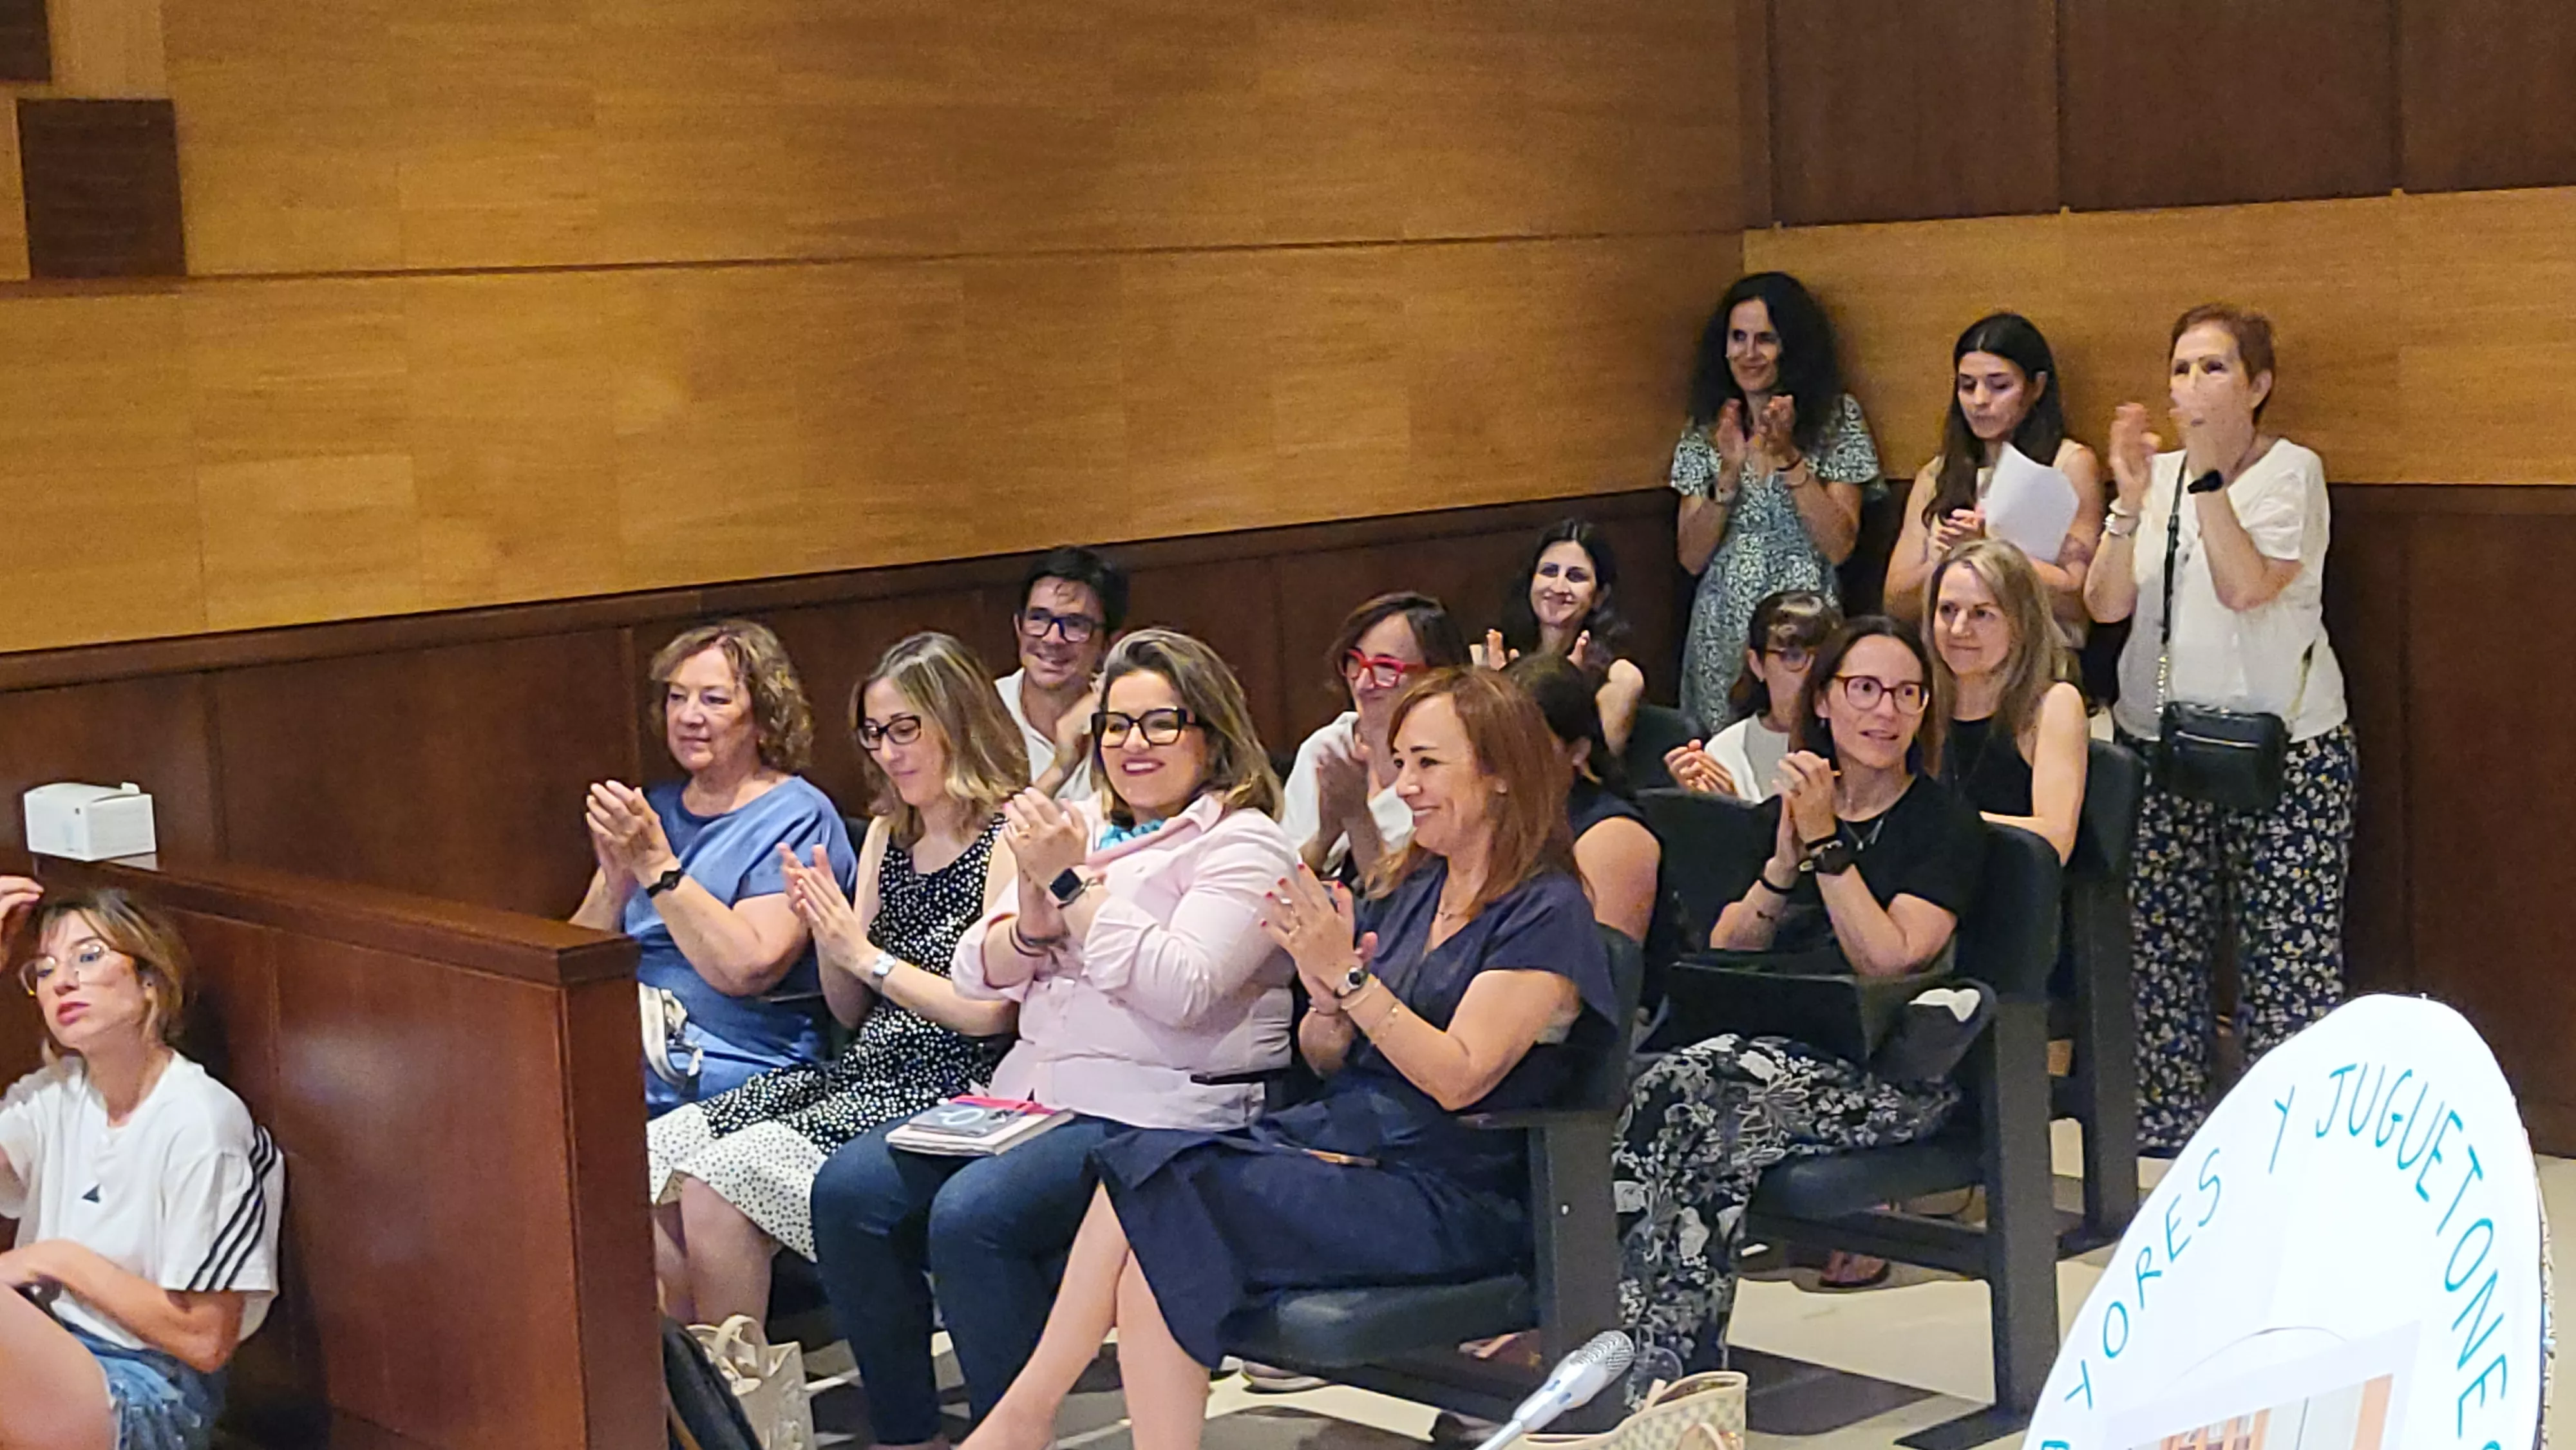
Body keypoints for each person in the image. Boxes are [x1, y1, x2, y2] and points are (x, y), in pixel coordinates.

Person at [959, 670, 1617, 1450]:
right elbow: (1328, 1055)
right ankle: (1044, 1420)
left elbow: (1459, 1074)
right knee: (1150, 1225)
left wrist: (1352, 981)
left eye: (1427, 764)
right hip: (1351, 1148)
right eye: (1400, 762)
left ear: (1500, 771)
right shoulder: (1414, 886)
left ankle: (1023, 1416)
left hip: (1451, 1189)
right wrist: (1327, 1000)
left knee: (1161, 1176)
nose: (1403, 785)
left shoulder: (1546, 908)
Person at [807, 630, 1295, 1444]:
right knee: (849, 1191)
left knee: (974, 1214)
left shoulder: (1243, 843)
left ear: (1211, 733)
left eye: (1160, 723)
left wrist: (1070, 888)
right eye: (1115, 725)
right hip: (1033, 1093)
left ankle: (1009, 1432)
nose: (1132, 744)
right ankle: (907, 1430)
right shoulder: (1082, 823)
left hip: (1158, 1111)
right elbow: (976, 967)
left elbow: (1181, 987)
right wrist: (1033, 929)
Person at [1614, 619, 1984, 1373]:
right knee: (1685, 1122)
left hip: (1883, 1074)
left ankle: (1654, 1366)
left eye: (1906, 693)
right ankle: (1656, 1368)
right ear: (1823, 700)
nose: (1884, 711)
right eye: (1864, 689)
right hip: (1756, 1058)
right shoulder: (1788, 809)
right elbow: (1727, 949)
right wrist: (1782, 867)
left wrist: (1827, 848)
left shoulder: (1944, 823)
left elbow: (1887, 960)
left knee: (1686, 1090)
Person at [646, 633, 1028, 1326]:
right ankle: (693, 1375)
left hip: (951, 1081)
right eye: (875, 734)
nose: (887, 752)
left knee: (718, 1182)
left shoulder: (1007, 835)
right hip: (861, 1070)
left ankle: (738, 1382)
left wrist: (867, 957)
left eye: (905, 730)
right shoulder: (887, 834)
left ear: (957, 723)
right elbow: (850, 1010)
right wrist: (830, 936)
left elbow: (993, 1015)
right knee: (655, 1154)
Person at [2083, 304, 2354, 1154]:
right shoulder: (2154, 475)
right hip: (2159, 741)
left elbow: (2245, 586)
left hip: (2285, 749)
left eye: (2214, 368)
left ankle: (2288, 1140)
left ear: (2257, 384)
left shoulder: (2292, 473)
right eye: (2181, 369)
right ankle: (2166, 1127)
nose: (2192, 385)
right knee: (2159, 948)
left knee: (2286, 960)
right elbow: (2104, 605)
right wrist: (2128, 504)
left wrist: (2204, 480)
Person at [0, 880, 287, 1450]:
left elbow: (206, 1339)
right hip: (48, 1356)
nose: (63, 981)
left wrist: (59, 1259)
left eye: (88, 956)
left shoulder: (200, 1121)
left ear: (150, 979)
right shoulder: (54, 1095)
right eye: (45, 969)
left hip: (148, 1391)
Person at [573, 619, 858, 1116]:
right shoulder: (655, 809)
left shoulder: (796, 816)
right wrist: (615, 887)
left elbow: (748, 969)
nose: (688, 716)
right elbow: (577, 962)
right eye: (677, 697)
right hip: (631, 1039)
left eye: (714, 700)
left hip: (737, 1063)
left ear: (764, 718)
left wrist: (658, 867)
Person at [1670, 272, 1882, 732]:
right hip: (1722, 624)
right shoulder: (1707, 427)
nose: (1749, 353)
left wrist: (1789, 459)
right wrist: (1728, 475)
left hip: (1802, 622)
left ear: (1792, 346)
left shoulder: (1835, 419)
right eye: (1738, 338)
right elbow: (1690, 557)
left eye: (1765, 339)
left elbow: (1840, 544)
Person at [1884, 313, 2107, 636]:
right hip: (1950, 648)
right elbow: (1895, 602)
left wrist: (1988, 552)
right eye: (1967, 386)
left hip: (2040, 652)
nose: (1979, 401)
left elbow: (2077, 599)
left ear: (2036, 387)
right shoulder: (1936, 474)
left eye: (1999, 386)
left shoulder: (2069, 464)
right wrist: (1949, 560)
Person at [1279, 592, 1472, 881]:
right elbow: (1280, 877)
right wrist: (1326, 834)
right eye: (1356, 662)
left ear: (1437, 675)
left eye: (1386, 668)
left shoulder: (1448, 763)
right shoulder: (1327, 748)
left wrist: (1357, 817)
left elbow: (1403, 901)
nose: (1363, 683)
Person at [1924, 540, 2089, 862]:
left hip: (2013, 882)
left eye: (1981, 614)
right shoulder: (1919, 695)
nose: (1958, 629)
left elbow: (2056, 839)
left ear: (2021, 624)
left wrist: (1941, 819)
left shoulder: (2053, 704)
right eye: (1947, 610)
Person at [1501, 654, 1661, 946]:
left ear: (1577, 751)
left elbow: (1601, 965)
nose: (1510, 759)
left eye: (1530, 743)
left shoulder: (1613, 837)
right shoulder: (1499, 816)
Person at [1482, 518, 1650, 757]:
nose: (1558, 587)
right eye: (1549, 572)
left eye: (1576, 577)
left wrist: (1566, 697)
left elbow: (1594, 766)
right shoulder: (1491, 658)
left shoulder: (1622, 678)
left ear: (1600, 596)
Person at [1663, 588, 1840, 802]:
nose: (1812, 672)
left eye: (1823, 657)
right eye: (1793, 656)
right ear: (1757, 664)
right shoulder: (1726, 751)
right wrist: (1728, 807)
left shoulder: (1852, 741)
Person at [997, 546, 1129, 799]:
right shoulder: (978, 713)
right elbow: (980, 827)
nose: (1053, 638)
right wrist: (1060, 768)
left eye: (1075, 624)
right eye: (1039, 619)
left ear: (1109, 643)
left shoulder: (1126, 718)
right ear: (1018, 627)